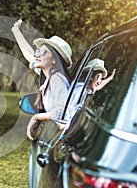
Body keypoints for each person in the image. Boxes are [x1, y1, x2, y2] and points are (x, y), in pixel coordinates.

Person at [12, 19, 73, 188]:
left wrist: (37, 117)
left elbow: (62, 114)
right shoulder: (49, 73)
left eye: (43, 52)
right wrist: (16, 32)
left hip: (60, 139)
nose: (37, 54)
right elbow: (29, 55)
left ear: (54, 60)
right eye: (39, 51)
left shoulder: (57, 79)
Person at [66, 58, 116, 122]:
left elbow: (98, 86)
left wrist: (110, 78)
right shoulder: (79, 90)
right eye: (98, 77)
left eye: (100, 79)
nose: (99, 82)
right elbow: (65, 112)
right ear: (91, 76)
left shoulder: (85, 88)